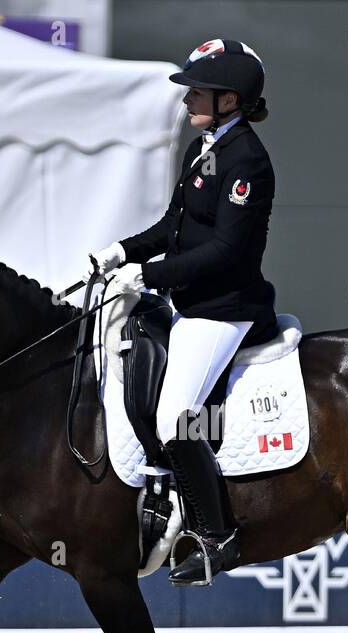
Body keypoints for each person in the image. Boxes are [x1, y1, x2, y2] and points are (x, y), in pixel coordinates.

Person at [89, 39, 276, 585]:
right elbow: (171, 229)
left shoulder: (247, 161)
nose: (188, 99)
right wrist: (122, 252)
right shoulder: (206, 148)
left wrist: (149, 276)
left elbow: (226, 251)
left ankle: (218, 539)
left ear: (231, 99)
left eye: (199, 91)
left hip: (224, 310)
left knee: (176, 416)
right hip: (191, 302)